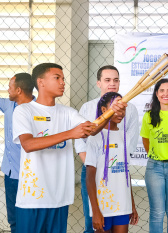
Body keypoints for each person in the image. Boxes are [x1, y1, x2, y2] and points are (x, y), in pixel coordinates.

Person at [12, 63, 127, 233]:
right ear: (41, 82)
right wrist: (69, 133)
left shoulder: (68, 112)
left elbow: (92, 129)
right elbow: (28, 145)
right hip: (32, 199)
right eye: (57, 78)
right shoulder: (24, 111)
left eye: (63, 79)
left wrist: (111, 113)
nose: (63, 83)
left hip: (59, 199)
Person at [75, 65, 139, 233]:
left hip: (118, 175)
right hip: (94, 171)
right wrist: (95, 164)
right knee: (94, 223)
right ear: (99, 83)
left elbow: (130, 142)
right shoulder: (88, 108)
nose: (112, 83)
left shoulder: (130, 109)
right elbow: (81, 143)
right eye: (107, 80)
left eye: (116, 80)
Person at [86, 92, 139, 233]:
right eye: (117, 108)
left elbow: (125, 174)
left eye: (123, 108)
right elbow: (90, 177)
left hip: (122, 205)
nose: (121, 112)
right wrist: (95, 211)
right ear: (104, 110)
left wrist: (131, 205)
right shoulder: (95, 137)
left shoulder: (125, 137)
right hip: (102, 207)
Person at [140, 78, 168, 233]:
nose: (166, 94)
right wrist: (156, 155)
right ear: (156, 94)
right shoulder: (149, 116)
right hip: (155, 169)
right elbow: (146, 140)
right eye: (162, 91)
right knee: (157, 213)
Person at [1, 73, 35, 233]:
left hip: (32, 176)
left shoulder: (39, 110)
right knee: (14, 220)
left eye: (10, 87)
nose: (7, 89)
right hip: (11, 174)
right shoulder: (9, 104)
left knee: (31, 219)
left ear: (19, 90)